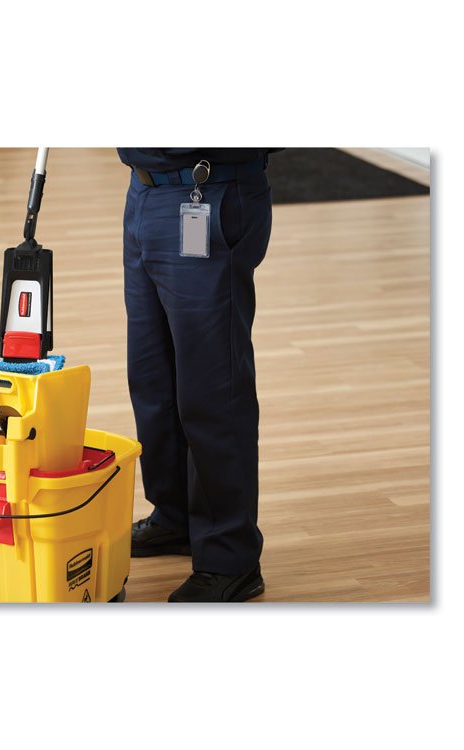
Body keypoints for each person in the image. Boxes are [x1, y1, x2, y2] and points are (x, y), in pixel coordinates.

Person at [117, 148, 279, 602]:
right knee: (153, 377)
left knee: (212, 388)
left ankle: (230, 557)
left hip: (209, 190)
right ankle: (177, 517)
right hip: (145, 192)